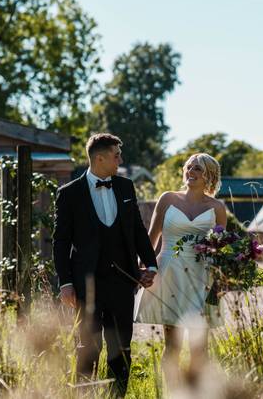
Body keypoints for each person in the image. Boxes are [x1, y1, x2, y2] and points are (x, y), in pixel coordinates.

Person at [53, 133, 157, 397]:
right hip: (85, 283)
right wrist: (65, 283)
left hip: (123, 281)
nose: (120, 160)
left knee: (121, 346)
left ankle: (118, 395)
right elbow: (61, 242)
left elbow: (137, 229)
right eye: (116, 155)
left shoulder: (125, 187)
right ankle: (83, 395)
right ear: (99, 158)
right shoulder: (69, 194)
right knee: (88, 345)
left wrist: (151, 265)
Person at [135, 153, 227, 383]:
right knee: (172, 345)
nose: (191, 172)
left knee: (199, 348)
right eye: (189, 167)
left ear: (209, 176)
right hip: (170, 273)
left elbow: (221, 248)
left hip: (201, 277)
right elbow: (151, 238)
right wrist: (143, 268)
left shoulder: (217, 208)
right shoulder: (167, 199)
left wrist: (222, 279)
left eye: (197, 169)